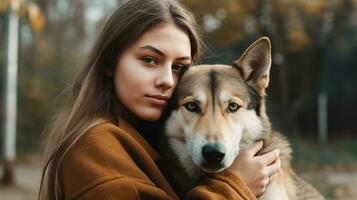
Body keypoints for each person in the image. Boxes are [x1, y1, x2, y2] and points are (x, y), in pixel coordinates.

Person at [39, 0, 281, 199]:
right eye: (149, 60)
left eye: (179, 66)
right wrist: (234, 186)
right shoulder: (94, 147)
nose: (167, 79)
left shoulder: (150, 139)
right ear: (110, 62)